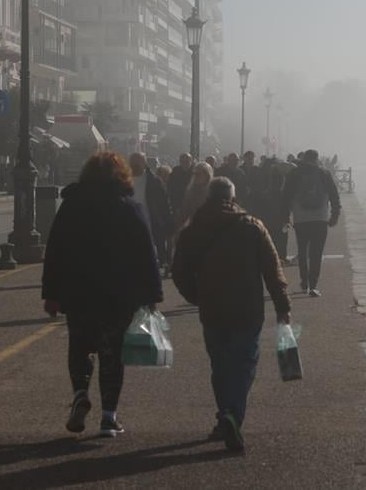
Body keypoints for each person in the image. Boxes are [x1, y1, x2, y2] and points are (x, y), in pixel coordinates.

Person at [42, 152, 163, 438]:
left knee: (80, 346)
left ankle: (81, 393)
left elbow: (55, 250)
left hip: (78, 291)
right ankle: (109, 416)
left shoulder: (71, 206)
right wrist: (152, 294)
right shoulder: (130, 208)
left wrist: (51, 293)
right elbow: (147, 254)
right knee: (113, 354)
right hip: (118, 294)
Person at [172, 177, 291, 453]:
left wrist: (196, 296)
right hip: (247, 309)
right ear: (233, 198)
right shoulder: (252, 226)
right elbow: (272, 270)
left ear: (208, 197)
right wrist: (282, 306)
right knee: (245, 362)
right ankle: (233, 414)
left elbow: (179, 272)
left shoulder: (194, 228)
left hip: (212, 309)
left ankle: (224, 412)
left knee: (221, 364)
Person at [283, 149, 341, 297]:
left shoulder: (294, 174)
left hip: (300, 218)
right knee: (316, 253)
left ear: (304, 159)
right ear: (316, 159)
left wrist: (285, 216)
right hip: (320, 218)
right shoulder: (324, 173)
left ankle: (304, 284)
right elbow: (334, 195)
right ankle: (313, 286)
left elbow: (285, 196)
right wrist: (335, 215)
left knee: (302, 252)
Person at [129, 152, 174, 273]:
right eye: (133, 163)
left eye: (138, 163)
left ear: (144, 163)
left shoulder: (154, 182)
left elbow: (164, 204)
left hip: (149, 222)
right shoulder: (122, 180)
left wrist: (168, 222)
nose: (135, 166)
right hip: (128, 222)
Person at [175, 162, 213, 231]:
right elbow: (184, 211)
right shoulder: (191, 190)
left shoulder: (213, 191)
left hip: (209, 228)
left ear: (207, 175)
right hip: (194, 227)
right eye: (194, 173)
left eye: (198, 174)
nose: (195, 176)